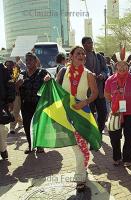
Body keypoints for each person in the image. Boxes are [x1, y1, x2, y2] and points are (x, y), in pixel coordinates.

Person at [56, 46, 99, 192]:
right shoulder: (63, 71)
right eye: (78, 53)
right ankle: (82, 169)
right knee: (78, 148)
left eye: (83, 54)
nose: (81, 56)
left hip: (82, 114)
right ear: (71, 56)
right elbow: (56, 88)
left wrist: (84, 102)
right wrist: (48, 80)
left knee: (82, 149)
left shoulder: (88, 74)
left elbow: (95, 93)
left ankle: (80, 177)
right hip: (67, 115)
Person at [105, 48, 131, 167]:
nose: (122, 67)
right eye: (119, 65)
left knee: (130, 137)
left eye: (125, 65)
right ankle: (117, 157)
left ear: (128, 66)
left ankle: (127, 158)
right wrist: (115, 100)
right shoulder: (110, 80)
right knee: (114, 136)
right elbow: (107, 95)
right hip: (116, 113)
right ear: (116, 66)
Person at [17, 52, 50, 154]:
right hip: (26, 103)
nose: (28, 62)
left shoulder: (42, 72)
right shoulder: (22, 74)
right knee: (27, 125)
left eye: (30, 60)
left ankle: (40, 145)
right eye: (26, 60)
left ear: (36, 61)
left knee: (39, 124)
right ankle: (31, 145)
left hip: (39, 104)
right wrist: (17, 85)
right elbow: (16, 88)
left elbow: (50, 77)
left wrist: (48, 78)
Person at [82, 36, 109, 133]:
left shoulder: (99, 57)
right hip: (86, 92)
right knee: (89, 114)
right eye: (88, 43)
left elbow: (106, 70)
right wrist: (88, 75)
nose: (91, 44)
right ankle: (91, 134)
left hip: (99, 91)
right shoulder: (81, 57)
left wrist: (103, 75)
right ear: (83, 45)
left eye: (91, 42)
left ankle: (99, 131)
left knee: (103, 113)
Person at [0, 63, 15, 160]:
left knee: (1, 129)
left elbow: (10, 83)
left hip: (1, 103)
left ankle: (3, 148)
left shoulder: (2, 69)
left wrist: (10, 100)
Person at [4, 60, 22, 134]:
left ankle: (12, 127)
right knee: (12, 110)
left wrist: (16, 85)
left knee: (15, 110)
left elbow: (20, 82)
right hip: (7, 96)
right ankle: (20, 121)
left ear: (13, 66)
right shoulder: (3, 74)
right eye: (7, 65)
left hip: (16, 95)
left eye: (10, 65)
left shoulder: (18, 74)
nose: (8, 67)